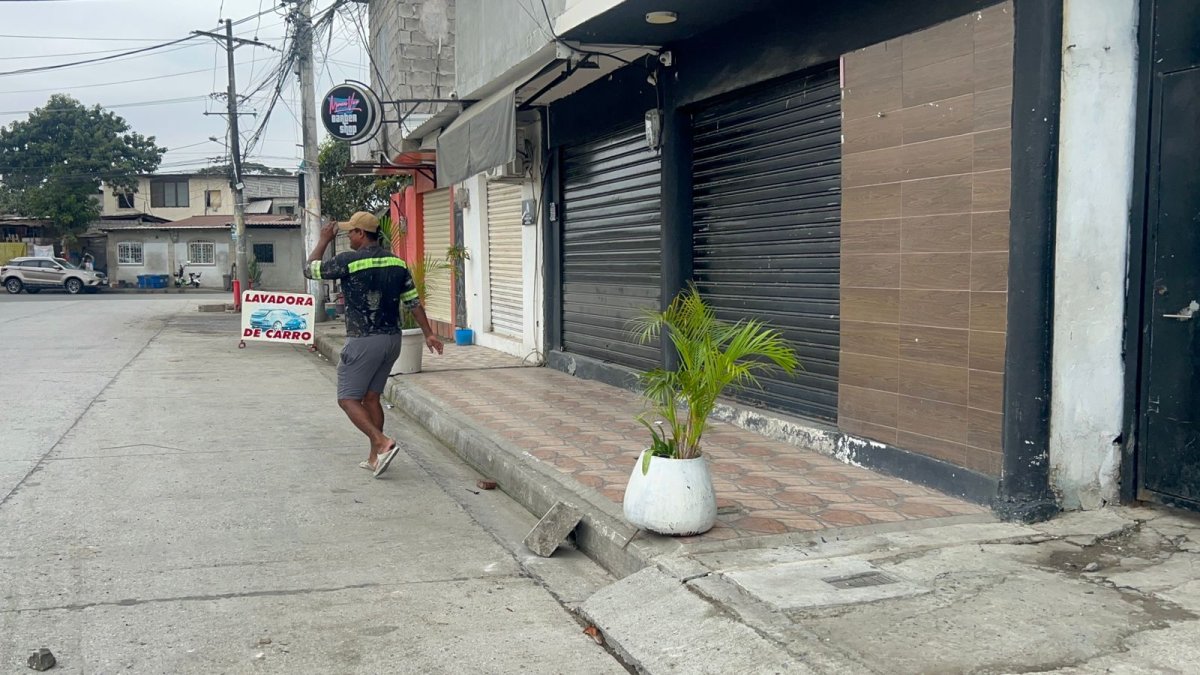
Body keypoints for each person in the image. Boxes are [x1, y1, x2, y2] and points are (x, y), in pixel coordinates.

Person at [304, 211, 444, 477]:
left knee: (347, 399)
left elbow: (310, 269)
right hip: (392, 340)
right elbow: (412, 301)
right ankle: (374, 457)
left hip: (364, 340)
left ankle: (382, 443)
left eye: (350, 233)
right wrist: (429, 334)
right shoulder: (397, 263)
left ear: (360, 234)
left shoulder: (348, 261)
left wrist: (323, 240)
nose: (349, 238)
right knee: (371, 398)